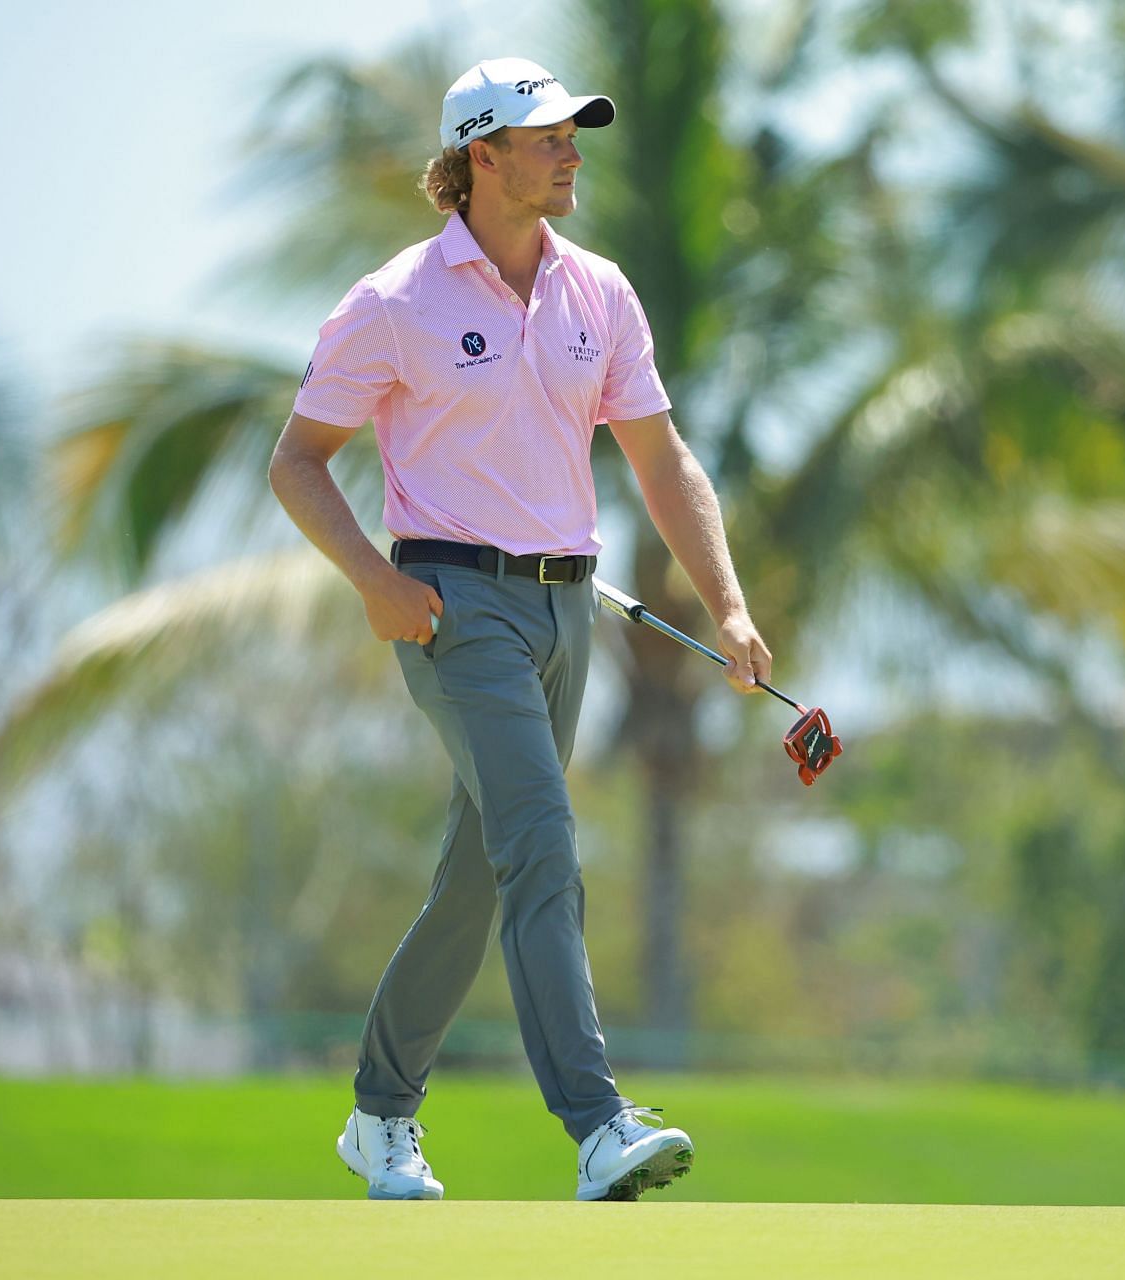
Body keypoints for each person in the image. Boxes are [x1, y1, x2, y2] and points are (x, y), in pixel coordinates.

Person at [267, 56, 772, 1202]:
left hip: (567, 603)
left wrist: (729, 601)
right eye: (547, 136)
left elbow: (660, 458)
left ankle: (380, 1112)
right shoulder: (395, 301)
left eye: (573, 133)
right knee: (540, 837)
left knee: (478, 880)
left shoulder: (600, 291)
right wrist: (369, 580)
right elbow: (296, 460)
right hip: (454, 608)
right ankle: (597, 1124)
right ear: (479, 157)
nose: (572, 150)